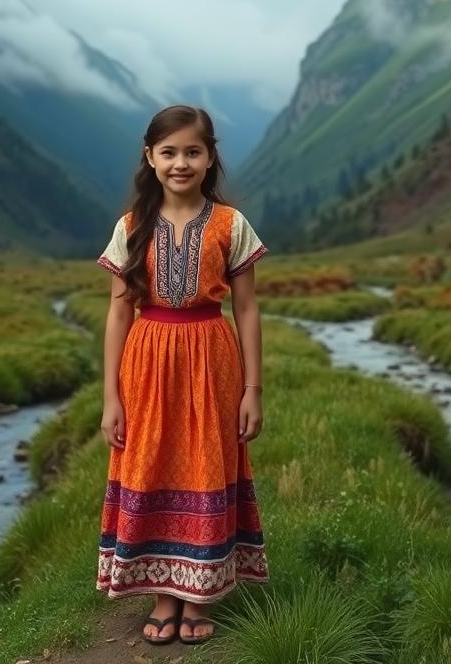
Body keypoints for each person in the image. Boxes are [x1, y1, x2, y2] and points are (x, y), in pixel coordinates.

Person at [95, 104, 270, 645]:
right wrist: (110, 397)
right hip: (146, 363)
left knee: (203, 465)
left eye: (192, 151)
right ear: (149, 158)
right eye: (168, 152)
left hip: (211, 359)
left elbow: (246, 310)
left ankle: (198, 595)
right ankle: (162, 594)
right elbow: (120, 311)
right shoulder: (131, 227)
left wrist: (252, 390)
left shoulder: (230, 224)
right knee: (149, 466)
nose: (180, 163)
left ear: (210, 156)